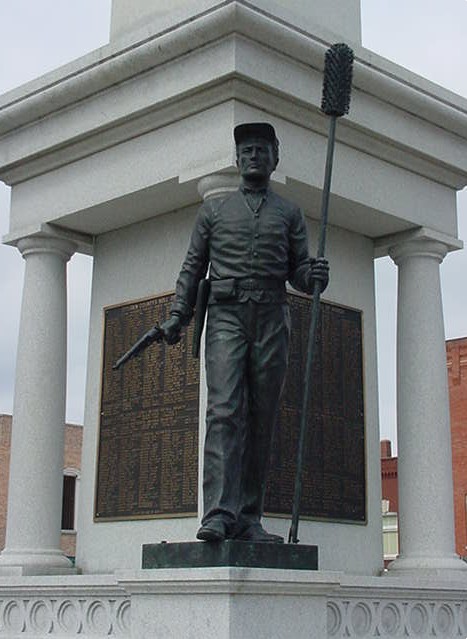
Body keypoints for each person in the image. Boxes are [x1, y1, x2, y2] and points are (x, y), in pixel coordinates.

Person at [161, 122, 328, 543]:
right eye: (247, 150)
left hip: (272, 317)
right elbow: (192, 267)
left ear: (275, 157)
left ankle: (249, 518)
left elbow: (299, 272)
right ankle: (217, 513)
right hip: (226, 317)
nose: (254, 156)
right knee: (223, 413)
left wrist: (315, 276)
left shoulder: (290, 213)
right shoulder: (213, 211)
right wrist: (179, 313)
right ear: (237, 161)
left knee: (261, 418)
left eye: (262, 149)